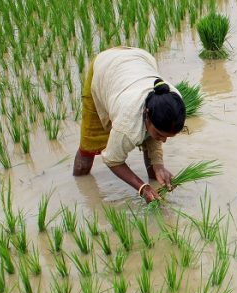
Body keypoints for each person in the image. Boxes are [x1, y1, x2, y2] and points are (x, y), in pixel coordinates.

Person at [72, 47, 186, 203]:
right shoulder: (127, 124)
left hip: (140, 59)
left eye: (167, 136)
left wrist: (158, 166)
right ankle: (81, 192)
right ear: (146, 115)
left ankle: (157, 192)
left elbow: (154, 137)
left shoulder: (172, 100)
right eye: (161, 135)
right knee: (88, 148)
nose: (163, 140)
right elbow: (112, 160)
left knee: (152, 143)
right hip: (105, 69)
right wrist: (142, 187)